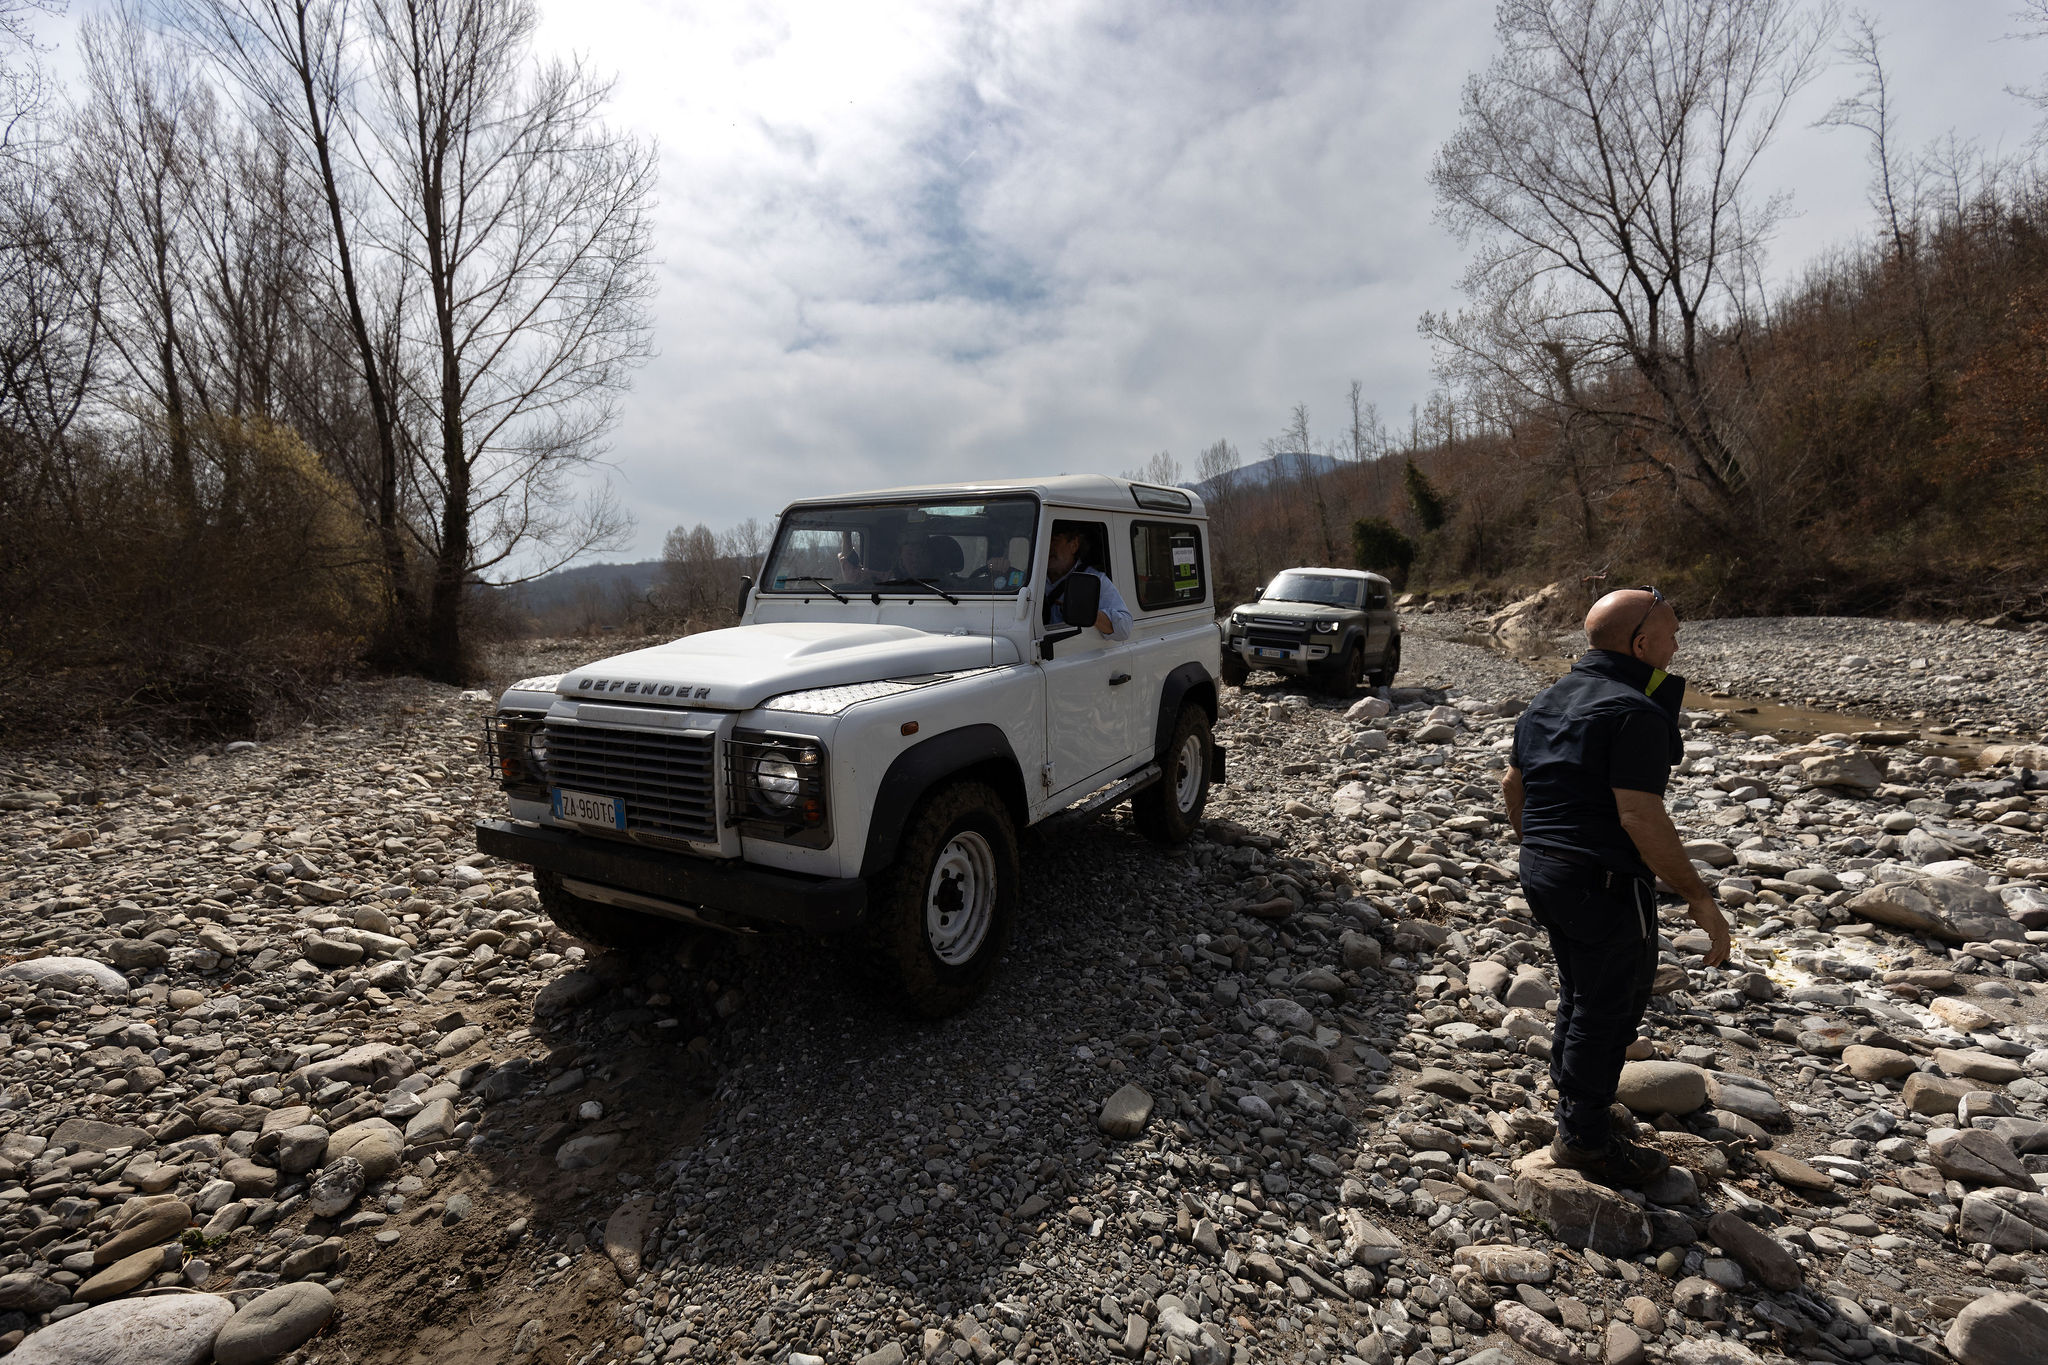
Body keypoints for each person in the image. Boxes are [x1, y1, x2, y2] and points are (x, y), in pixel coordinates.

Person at [1501, 586, 1732, 1187]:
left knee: (1581, 993)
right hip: (1600, 878)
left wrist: (1541, 850)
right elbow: (1638, 815)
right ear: (1641, 642)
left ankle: (1579, 1109)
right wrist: (1700, 899)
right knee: (1610, 1006)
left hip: (1545, 870)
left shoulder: (1548, 699)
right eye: (1673, 634)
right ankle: (1584, 1141)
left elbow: (1513, 787)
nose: (1678, 644)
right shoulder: (1635, 710)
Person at [1044, 525, 1131, 642]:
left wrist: (1087, 613)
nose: (1046, 547)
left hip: (1071, 651)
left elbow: (1124, 629)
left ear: (1074, 545)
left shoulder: (1095, 579)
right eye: (1043, 541)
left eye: (1054, 540)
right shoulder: (1028, 579)